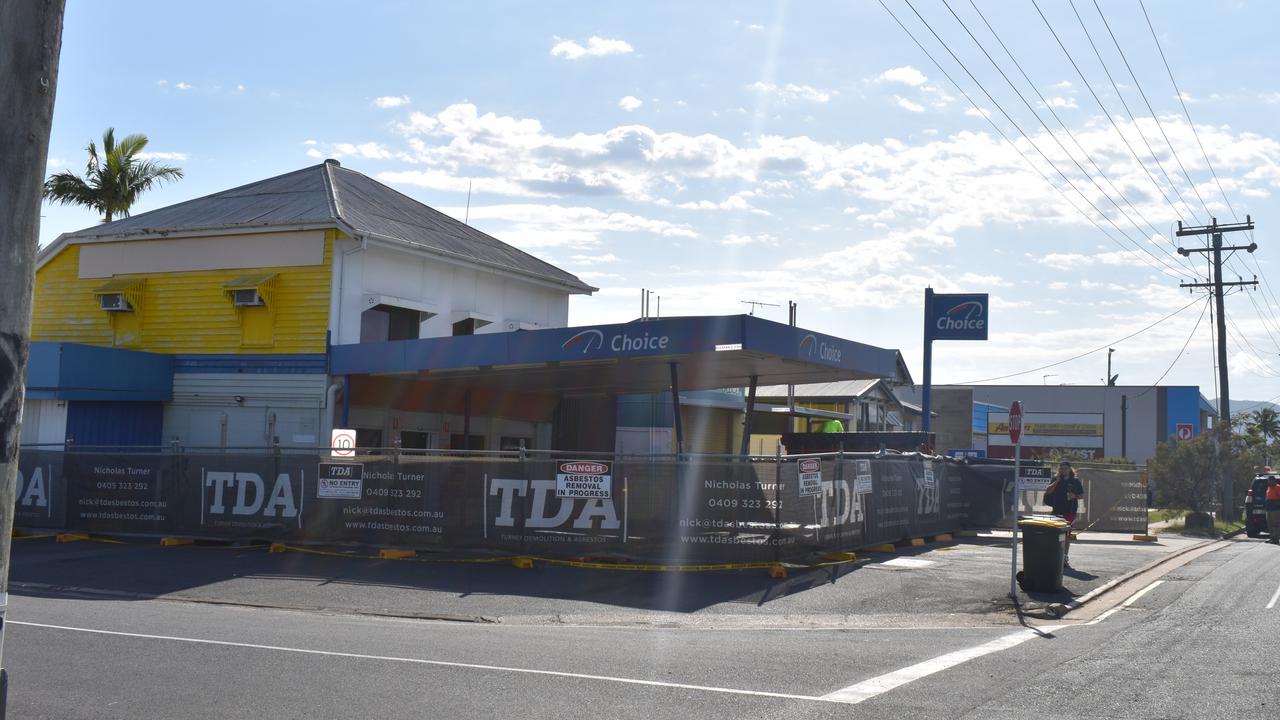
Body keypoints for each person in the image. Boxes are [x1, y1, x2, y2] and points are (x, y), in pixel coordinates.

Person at [1044, 460, 1085, 565]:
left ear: (1070, 469)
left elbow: (1081, 495)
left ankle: (1064, 557)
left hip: (1070, 511)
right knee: (1053, 534)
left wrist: (1074, 496)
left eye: (1065, 468)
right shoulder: (1056, 479)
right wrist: (1057, 481)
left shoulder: (1075, 481)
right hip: (1057, 510)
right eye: (1061, 468)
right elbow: (1048, 491)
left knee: (1066, 535)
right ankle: (1053, 556)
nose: (1063, 470)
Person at [1266, 476, 1280, 545]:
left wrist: (1276, 502)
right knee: (1270, 524)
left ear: (1274, 481)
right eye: (1269, 480)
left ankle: (1276, 539)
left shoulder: (1278, 487)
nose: (1269, 482)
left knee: (1275, 524)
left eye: (1270, 480)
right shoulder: (1269, 487)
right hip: (1269, 508)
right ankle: (1272, 538)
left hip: (1275, 509)